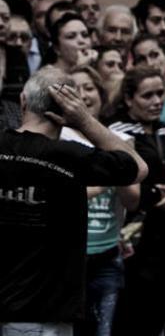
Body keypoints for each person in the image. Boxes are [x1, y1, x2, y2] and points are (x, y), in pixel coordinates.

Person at [0, 67, 147, 335]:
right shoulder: (70, 157)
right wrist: (84, 121)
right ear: (67, 111)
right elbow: (137, 168)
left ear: (23, 100)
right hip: (40, 316)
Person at [60, 66, 140, 336]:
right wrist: (110, 176)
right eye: (75, 89)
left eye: (89, 88)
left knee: (104, 331)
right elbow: (60, 198)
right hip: (68, 257)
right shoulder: (57, 140)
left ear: (101, 93)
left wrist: (118, 167)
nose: (83, 94)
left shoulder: (120, 140)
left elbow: (132, 201)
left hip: (108, 256)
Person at [107, 66, 165, 336]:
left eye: (160, 94)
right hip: (131, 238)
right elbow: (123, 177)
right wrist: (155, 194)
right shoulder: (117, 130)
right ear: (129, 99)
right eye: (147, 95)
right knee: (132, 317)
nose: (156, 101)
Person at [131, 34, 165, 130]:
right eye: (141, 59)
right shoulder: (130, 98)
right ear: (135, 64)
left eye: (154, 55)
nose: (149, 63)